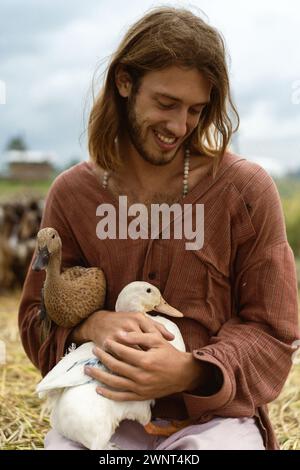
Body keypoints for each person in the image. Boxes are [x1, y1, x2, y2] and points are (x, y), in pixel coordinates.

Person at [19, 7, 299, 450]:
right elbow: (35, 318)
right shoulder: (71, 195)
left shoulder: (246, 191)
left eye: (195, 109)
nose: (179, 126)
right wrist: (92, 326)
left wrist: (193, 370)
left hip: (214, 423)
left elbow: (274, 330)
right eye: (166, 104)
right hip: (100, 412)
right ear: (125, 82)